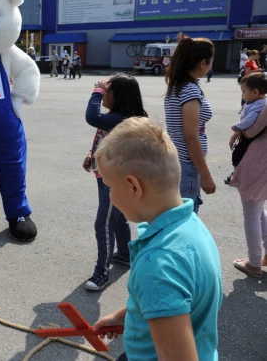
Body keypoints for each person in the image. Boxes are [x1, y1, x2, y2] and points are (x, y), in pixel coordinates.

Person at [92, 117, 222, 361]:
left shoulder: (159, 264)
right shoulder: (189, 225)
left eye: (109, 186)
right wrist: (124, 317)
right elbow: (174, 298)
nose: (109, 195)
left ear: (133, 186)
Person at [83, 75, 148, 291]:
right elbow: (107, 139)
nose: (103, 96)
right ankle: (125, 254)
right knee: (117, 219)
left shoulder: (122, 119)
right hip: (109, 176)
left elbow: (92, 117)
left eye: (107, 93)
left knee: (103, 223)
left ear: (117, 96)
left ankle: (102, 272)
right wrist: (92, 154)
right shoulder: (118, 117)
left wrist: (96, 92)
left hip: (115, 181)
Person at [164, 34, 216, 214]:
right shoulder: (189, 91)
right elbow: (191, 137)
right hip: (187, 164)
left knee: (177, 216)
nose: (211, 66)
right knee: (185, 218)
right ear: (203, 63)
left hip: (178, 161)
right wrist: (206, 175)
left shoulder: (177, 87)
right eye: (211, 62)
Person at [229, 78, 267, 278]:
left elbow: (251, 129)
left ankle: (254, 264)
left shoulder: (264, 105)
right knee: (258, 209)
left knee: (252, 211)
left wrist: (237, 131)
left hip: (260, 161)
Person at [225, 73, 267, 185]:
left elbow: (250, 120)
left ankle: (236, 175)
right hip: (246, 135)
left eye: (243, 92)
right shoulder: (254, 102)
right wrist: (235, 134)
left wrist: (237, 127)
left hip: (252, 138)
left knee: (238, 155)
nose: (241, 95)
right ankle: (236, 173)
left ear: (255, 92)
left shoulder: (259, 105)